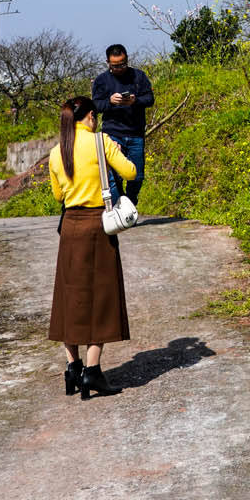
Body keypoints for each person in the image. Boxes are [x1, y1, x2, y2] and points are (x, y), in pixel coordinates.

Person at [48, 95, 137, 399]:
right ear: (88, 117)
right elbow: (130, 173)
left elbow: (58, 195)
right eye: (94, 116)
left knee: (69, 298)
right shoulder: (100, 142)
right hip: (96, 226)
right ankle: (93, 372)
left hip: (70, 227)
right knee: (101, 297)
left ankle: (72, 368)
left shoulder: (56, 151)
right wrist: (117, 152)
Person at [91, 44, 154, 205]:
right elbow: (96, 106)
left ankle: (131, 204)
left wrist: (135, 101)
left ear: (127, 59)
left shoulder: (139, 76)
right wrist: (110, 102)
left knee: (137, 175)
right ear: (108, 63)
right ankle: (119, 205)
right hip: (113, 134)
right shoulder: (101, 81)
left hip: (135, 133)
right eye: (115, 65)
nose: (120, 68)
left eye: (123, 63)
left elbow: (150, 99)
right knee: (113, 176)